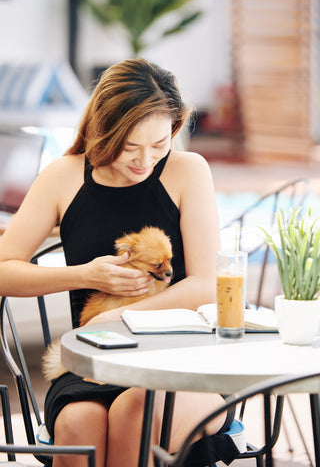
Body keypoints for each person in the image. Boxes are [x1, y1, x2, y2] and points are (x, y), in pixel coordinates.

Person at [0, 58, 234, 467]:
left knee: (135, 414)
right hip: (94, 361)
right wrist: (84, 274)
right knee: (78, 423)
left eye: (159, 144)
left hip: (183, 360)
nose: (145, 160)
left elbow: (203, 284)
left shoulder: (187, 171)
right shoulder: (64, 176)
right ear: (103, 129)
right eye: (130, 147)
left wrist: (120, 316)